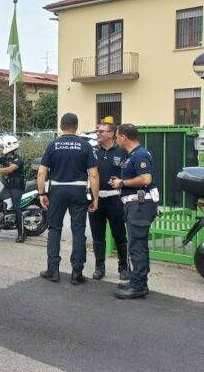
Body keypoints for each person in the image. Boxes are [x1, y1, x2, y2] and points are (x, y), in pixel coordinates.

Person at [37, 113, 99, 285]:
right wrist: (95, 198)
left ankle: (53, 271)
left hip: (57, 190)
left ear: (61, 126)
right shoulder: (85, 146)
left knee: (54, 228)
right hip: (79, 190)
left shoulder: (53, 145)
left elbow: (42, 172)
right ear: (76, 126)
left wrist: (42, 193)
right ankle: (76, 273)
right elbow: (93, 175)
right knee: (78, 230)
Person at [109, 124, 159, 299]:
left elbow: (146, 179)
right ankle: (138, 280)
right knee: (137, 245)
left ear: (123, 137)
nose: (116, 140)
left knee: (137, 245)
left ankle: (138, 286)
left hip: (140, 205)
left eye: (116, 136)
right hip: (135, 205)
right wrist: (121, 181)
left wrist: (122, 183)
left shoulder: (140, 154)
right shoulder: (132, 155)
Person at [88, 117, 131, 281]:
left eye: (101, 131)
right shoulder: (93, 151)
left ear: (112, 133)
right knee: (97, 236)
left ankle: (124, 267)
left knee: (119, 235)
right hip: (96, 199)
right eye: (97, 130)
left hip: (115, 200)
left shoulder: (122, 152)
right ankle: (100, 267)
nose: (98, 133)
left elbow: (128, 174)